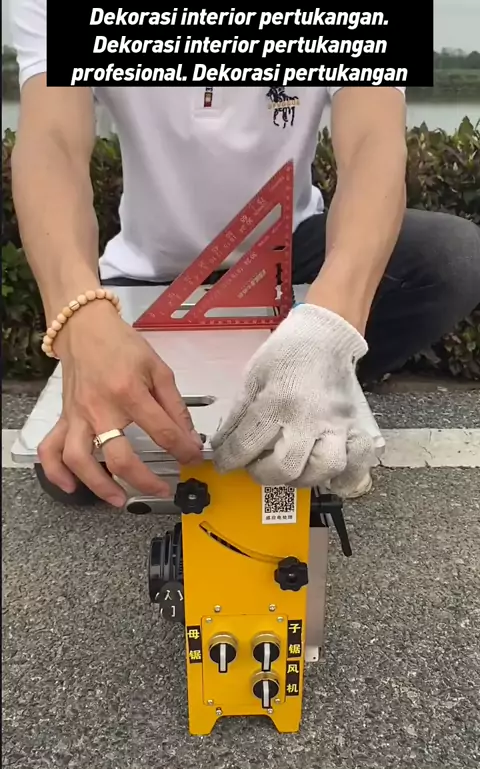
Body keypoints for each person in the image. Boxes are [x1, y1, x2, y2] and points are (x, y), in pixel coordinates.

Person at [11, 0, 480, 508]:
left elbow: (374, 142)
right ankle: (271, 395)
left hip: (292, 257)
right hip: (149, 273)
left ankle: (311, 379)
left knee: (449, 258)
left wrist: (330, 328)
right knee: (79, 472)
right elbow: (51, 142)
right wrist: (81, 316)